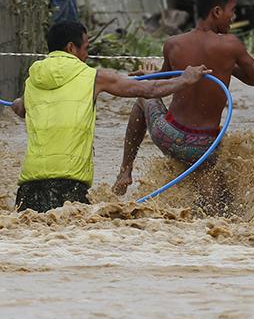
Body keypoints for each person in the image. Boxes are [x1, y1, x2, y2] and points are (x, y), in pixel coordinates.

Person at [10, 21, 211, 213]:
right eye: (86, 48)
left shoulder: (32, 82)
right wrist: (185, 79)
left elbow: (21, 108)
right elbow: (148, 90)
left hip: (28, 186)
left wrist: (19, 103)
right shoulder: (94, 77)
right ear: (71, 48)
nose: (87, 55)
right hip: (68, 185)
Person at [112, 0, 254, 195]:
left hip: (168, 136)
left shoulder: (173, 43)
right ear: (216, 12)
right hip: (203, 148)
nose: (233, 17)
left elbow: (165, 82)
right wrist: (227, 64)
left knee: (143, 99)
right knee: (211, 195)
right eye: (231, 11)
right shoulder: (231, 45)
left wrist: (150, 75)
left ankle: (125, 171)